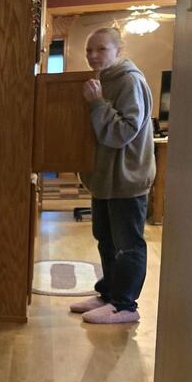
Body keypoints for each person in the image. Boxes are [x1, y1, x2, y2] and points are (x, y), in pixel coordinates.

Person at [69, 27, 156, 324]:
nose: (93, 55)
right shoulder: (100, 80)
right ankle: (108, 295)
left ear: (119, 50)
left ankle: (125, 305)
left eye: (101, 49)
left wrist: (97, 104)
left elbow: (123, 132)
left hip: (127, 179)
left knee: (127, 244)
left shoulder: (130, 81)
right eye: (89, 50)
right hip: (104, 179)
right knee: (105, 239)